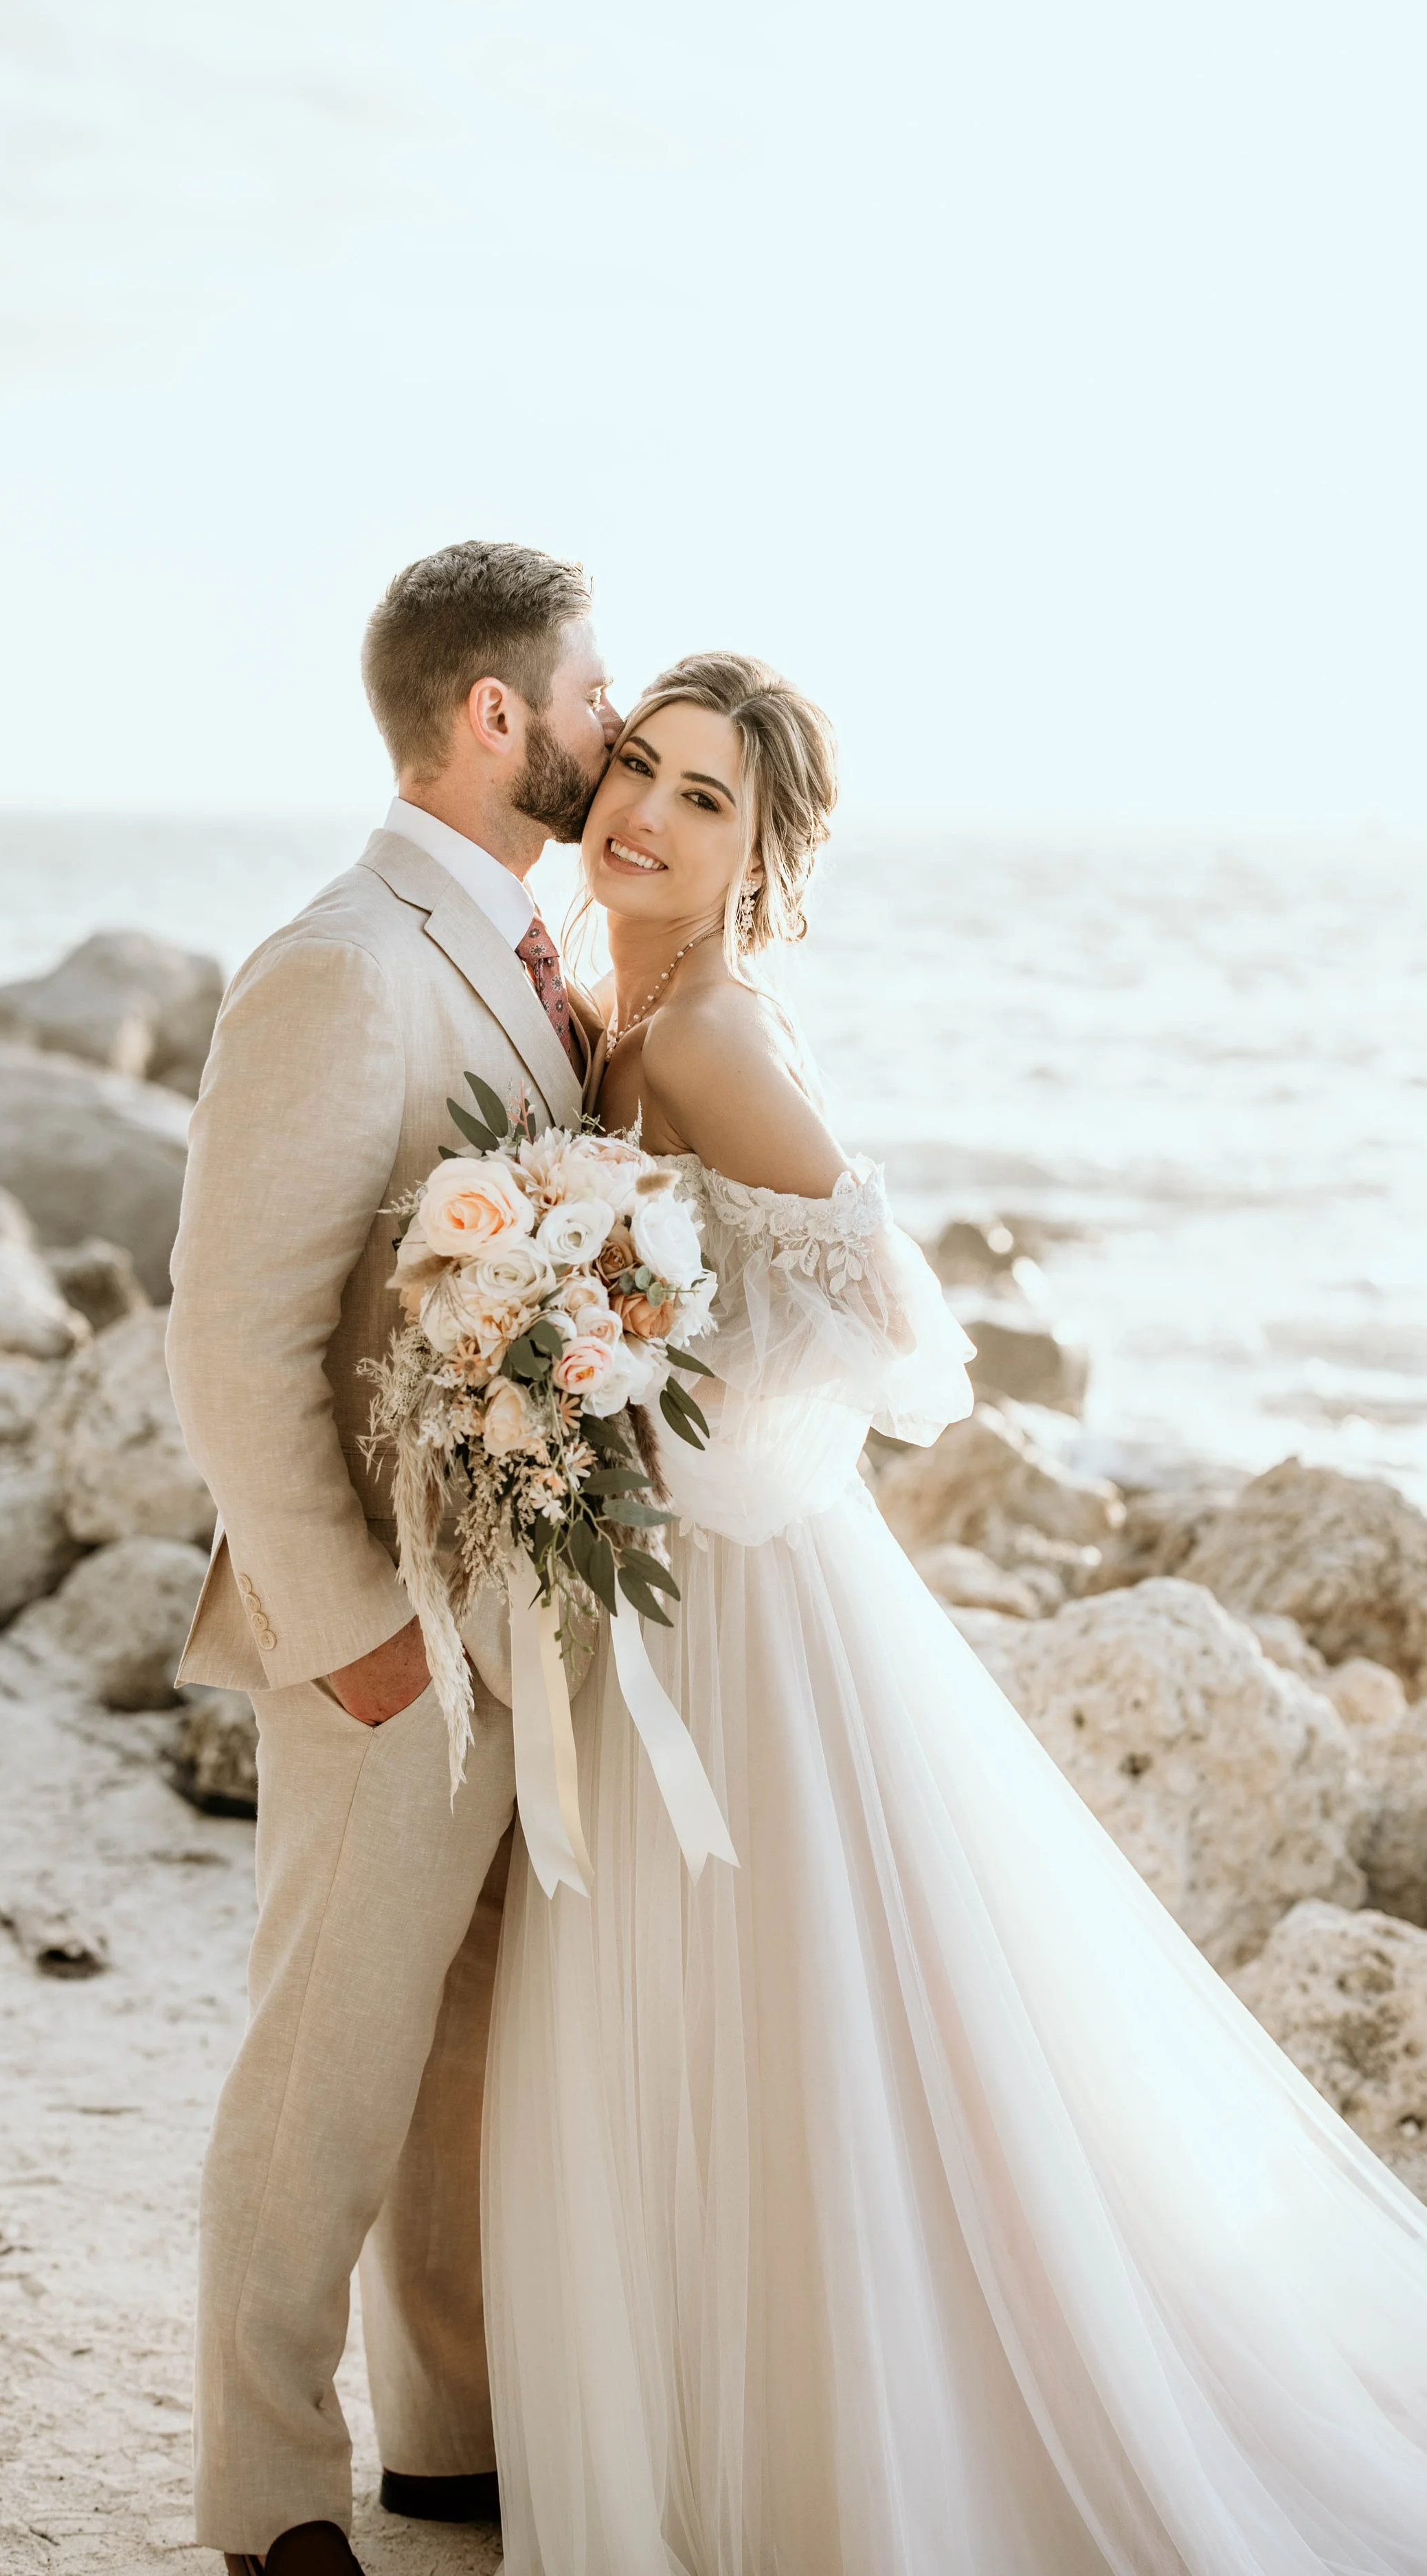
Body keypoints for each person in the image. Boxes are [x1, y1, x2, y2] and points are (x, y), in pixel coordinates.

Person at [482, 653, 1427, 2573]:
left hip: (748, 1606)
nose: (646, 811)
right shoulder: (619, 1008)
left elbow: (907, 1331)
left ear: (761, 856)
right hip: (678, 1597)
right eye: (638, 766)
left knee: (792, 2026)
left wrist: (680, 1402)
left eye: (705, 798)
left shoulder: (710, 1039)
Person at [166, 540, 618, 2576]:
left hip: (506, 1620)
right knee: (323, 2067)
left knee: (457, 2056)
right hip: (379, 1638)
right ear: (494, 716)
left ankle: (442, 2430)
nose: (611, 729)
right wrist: (350, 1630)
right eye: (589, 693)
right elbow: (228, 1331)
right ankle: (267, 2489)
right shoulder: (341, 961)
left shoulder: (518, 959)